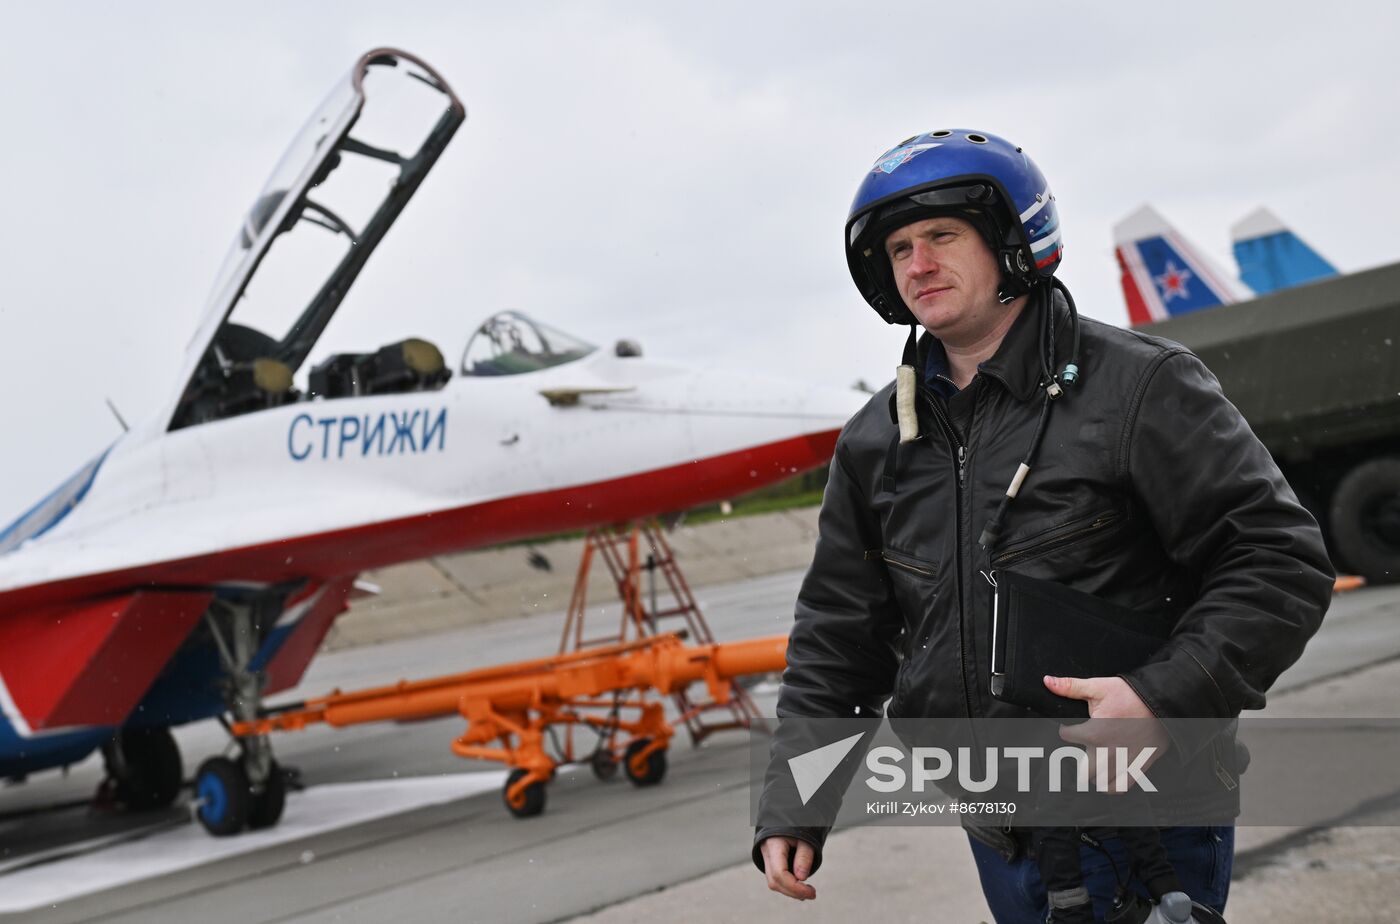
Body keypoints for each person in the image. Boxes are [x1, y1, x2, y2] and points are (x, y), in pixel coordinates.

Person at [752, 129, 1334, 921]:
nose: (917, 264)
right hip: (1000, 831)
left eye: (941, 237)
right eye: (897, 249)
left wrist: (1161, 697)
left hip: (1143, 821)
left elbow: (1278, 561)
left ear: (1012, 241)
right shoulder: (877, 440)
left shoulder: (1140, 387)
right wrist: (797, 799)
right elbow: (838, 639)